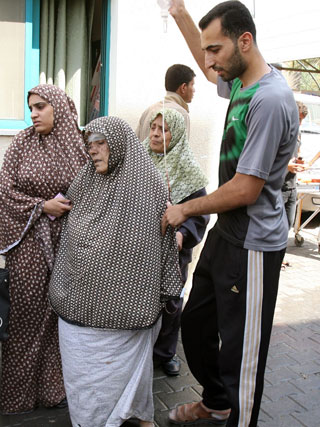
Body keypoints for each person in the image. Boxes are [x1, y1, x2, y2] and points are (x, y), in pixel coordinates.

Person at [164, 2, 299, 425]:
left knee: (242, 355)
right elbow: (208, 70)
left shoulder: (271, 100)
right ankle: (217, 401)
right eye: (207, 50)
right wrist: (179, 13)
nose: (209, 63)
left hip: (255, 243)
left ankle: (236, 413)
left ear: (245, 41)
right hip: (227, 234)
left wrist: (184, 208)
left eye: (215, 50)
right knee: (196, 324)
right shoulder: (240, 81)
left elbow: (245, 188)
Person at [49, 116, 182, 427]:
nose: (93, 151)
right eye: (90, 144)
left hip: (130, 308)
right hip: (79, 304)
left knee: (127, 380)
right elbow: (72, 229)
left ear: (119, 143)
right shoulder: (86, 179)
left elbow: (154, 239)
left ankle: (134, 416)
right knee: (87, 386)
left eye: (100, 143)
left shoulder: (147, 183)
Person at [0, 84, 88, 415]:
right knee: (24, 318)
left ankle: (53, 390)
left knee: (60, 320)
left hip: (70, 246)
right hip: (30, 246)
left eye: (40, 107)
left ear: (59, 108)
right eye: (30, 107)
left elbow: (94, 191)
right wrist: (42, 206)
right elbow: (4, 191)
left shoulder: (81, 146)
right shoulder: (21, 143)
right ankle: (18, 397)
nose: (33, 113)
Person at [143, 108, 209, 377]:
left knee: (171, 303)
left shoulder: (188, 171)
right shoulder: (140, 162)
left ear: (177, 134)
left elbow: (200, 213)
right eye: (153, 127)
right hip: (143, 248)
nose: (156, 134)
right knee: (143, 301)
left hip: (174, 252)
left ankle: (165, 353)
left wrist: (182, 235)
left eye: (164, 129)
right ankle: (141, 351)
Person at [136, 64, 196, 141]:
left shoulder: (149, 110)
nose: (194, 90)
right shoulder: (181, 113)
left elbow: (135, 146)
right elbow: (181, 151)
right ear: (183, 87)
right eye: (192, 85)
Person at [281, 101, 308, 229]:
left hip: (292, 187)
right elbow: (268, 160)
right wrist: (286, 166)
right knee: (277, 228)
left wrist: (300, 163)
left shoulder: (298, 133)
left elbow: (296, 154)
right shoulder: (279, 132)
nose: (299, 123)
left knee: (288, 225)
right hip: (279, 188)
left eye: (302, 120)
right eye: (298, 119)